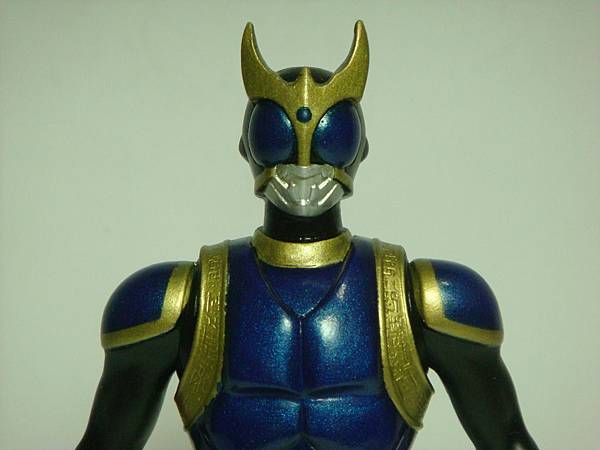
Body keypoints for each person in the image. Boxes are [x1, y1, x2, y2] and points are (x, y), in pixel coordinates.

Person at [77, 21, 538, 450]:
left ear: (359, 149)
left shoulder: (421, 299)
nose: (303, 165)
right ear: (248, 149)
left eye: (328, 141)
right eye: (277, 139)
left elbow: (509, 441)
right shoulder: (181, 301)